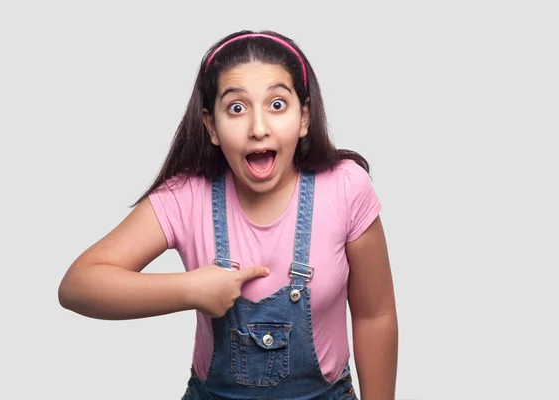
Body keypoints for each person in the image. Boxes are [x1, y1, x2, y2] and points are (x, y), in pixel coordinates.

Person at [58, 30, 398, 400]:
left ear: (304, 118)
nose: (258, 128)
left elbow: (374, 315)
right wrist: (191, 289)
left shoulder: (346, 188)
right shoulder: (187, 196)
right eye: (237, 108)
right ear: (211, 126)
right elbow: (78, 285)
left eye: (277, 105)